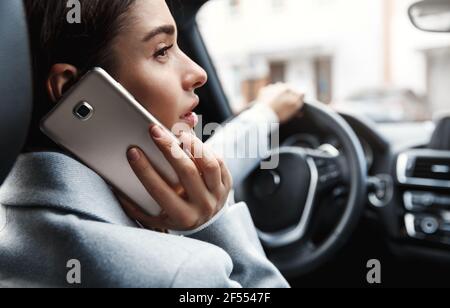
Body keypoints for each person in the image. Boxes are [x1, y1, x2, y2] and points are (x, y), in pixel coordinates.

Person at [0, 0, 303, 287]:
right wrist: (211, 224)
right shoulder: (183, 272)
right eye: (162, 51)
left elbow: (198, 168)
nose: (198, 73)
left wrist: (264, 115)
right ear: (71, 90)